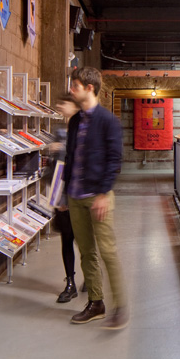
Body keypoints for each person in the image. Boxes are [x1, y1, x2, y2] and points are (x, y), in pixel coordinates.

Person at [62, 66, 127, 329]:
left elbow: (114, 160)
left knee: (108, 252)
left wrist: (102, 193)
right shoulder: (76, 121)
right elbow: (70, 157)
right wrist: (65, 192)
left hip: (98, 197)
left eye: (75, 85)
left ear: (89, 88)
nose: (71, 90)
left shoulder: (108, 121)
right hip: (75, 196)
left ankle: (120, 307)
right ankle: (96, 303)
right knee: (87, 252)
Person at [47, 95, 80, 303]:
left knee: (85, 242)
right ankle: (70, 283)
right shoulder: (59, 131)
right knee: (66, 239)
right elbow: (56, 166)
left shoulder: (85, 130)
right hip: (61, 192)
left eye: (64, 103)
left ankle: (91, 277)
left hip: (78, 194)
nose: (59, 106)